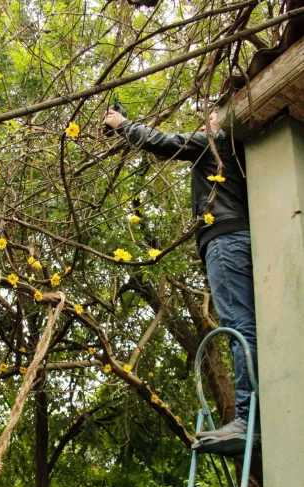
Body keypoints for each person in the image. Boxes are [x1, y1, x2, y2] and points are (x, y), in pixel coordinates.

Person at [104, 106, 259, 439]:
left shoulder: (216, 141)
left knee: (239, 326)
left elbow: (165, 143)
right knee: (243, 323)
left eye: (213, 114)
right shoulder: (240, 150)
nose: (208, 119)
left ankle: (248, 418)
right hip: (238, 237)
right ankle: (253, 414)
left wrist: (122, 124)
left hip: (225, 240)